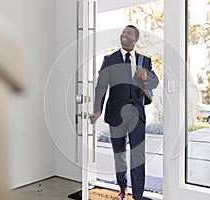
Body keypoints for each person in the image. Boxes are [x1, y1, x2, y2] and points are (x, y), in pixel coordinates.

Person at [90, 25, 159, 200]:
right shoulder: (110, 59)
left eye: (128, 33)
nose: (124, 35)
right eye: (123, 32)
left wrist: (146, 77)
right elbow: (101, 87)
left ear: (135, 39)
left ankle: (138, 195)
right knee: (119, 153)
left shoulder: (145, 61)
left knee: (138, 154)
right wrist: (98, 109)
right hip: (116, 114)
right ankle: (122, 186)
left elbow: (155, 83)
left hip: (136, 113)